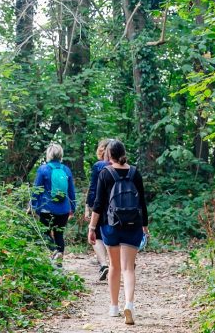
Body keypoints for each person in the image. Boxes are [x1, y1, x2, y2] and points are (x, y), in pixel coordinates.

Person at [87, 139, 149, 325]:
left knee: (114, 267)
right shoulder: (135, 172)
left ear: (108, 155)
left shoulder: (105, 173)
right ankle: (129, 304)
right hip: (133, 224)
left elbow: (98, 204)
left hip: (110, 225)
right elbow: (142, 202)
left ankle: (113, 307)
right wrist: (144, 226)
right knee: (129, 268)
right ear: (123, 152)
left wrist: (92, 227)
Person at [31, 143, 76, 265]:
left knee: (44, 232)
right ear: (61, 155)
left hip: (47, 208)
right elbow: (71, 191)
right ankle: (59, 264)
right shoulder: (66, 170)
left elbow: (36, 189)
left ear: (49, 154)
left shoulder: (43, 169)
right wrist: (73, 207)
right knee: (59, 234)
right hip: (64, 209)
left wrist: (32, 205)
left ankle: (54, 251)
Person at [85, 139, 111, 281]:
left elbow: (93, 188)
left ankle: (103, 265)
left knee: (97, 235)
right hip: (119, 207)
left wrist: (90, 206)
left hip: (101, 206)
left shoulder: (98, 166)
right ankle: (121, 263)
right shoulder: (123, 165)